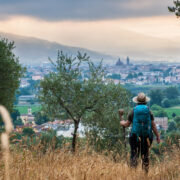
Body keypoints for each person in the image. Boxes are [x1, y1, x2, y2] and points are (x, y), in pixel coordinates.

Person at [120, 92, 160, 173]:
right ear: (146, 101)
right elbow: (153, 126)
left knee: (134, 155)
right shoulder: (149, 111)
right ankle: (145, 175)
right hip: (147, 137)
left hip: (134, 137)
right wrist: (158, 136)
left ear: (137, 101)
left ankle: (133, 174)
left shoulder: (133, 111)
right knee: (145, 156)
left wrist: (121, 122)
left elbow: (127, 124)